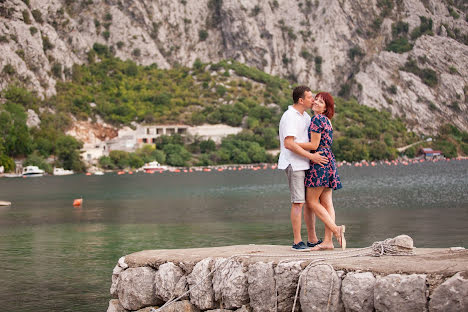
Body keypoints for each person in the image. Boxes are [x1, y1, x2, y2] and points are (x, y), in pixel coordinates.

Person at [278, 86, 329, 251]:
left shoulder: (306, 116)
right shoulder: (289, 117)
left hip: (306, 163)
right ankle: (297, 241)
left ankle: (312, 239)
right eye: (310, 97)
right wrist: (312, 156)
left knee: (308, 204)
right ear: (301, 100)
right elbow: (289, 144)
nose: (313, 100)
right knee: (298, 202)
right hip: (295, 163)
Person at [298, 92, 346, 250]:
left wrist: (293, 143)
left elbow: (313, 145)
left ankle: (335, 229)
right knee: (327, 203)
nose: (316, 103)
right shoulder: (327, 121)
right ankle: (328, 242)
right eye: (316, 100)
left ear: (327, 107)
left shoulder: (317, 119)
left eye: (321, 102)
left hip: (319, 162)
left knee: (311, 202)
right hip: (328, 161)